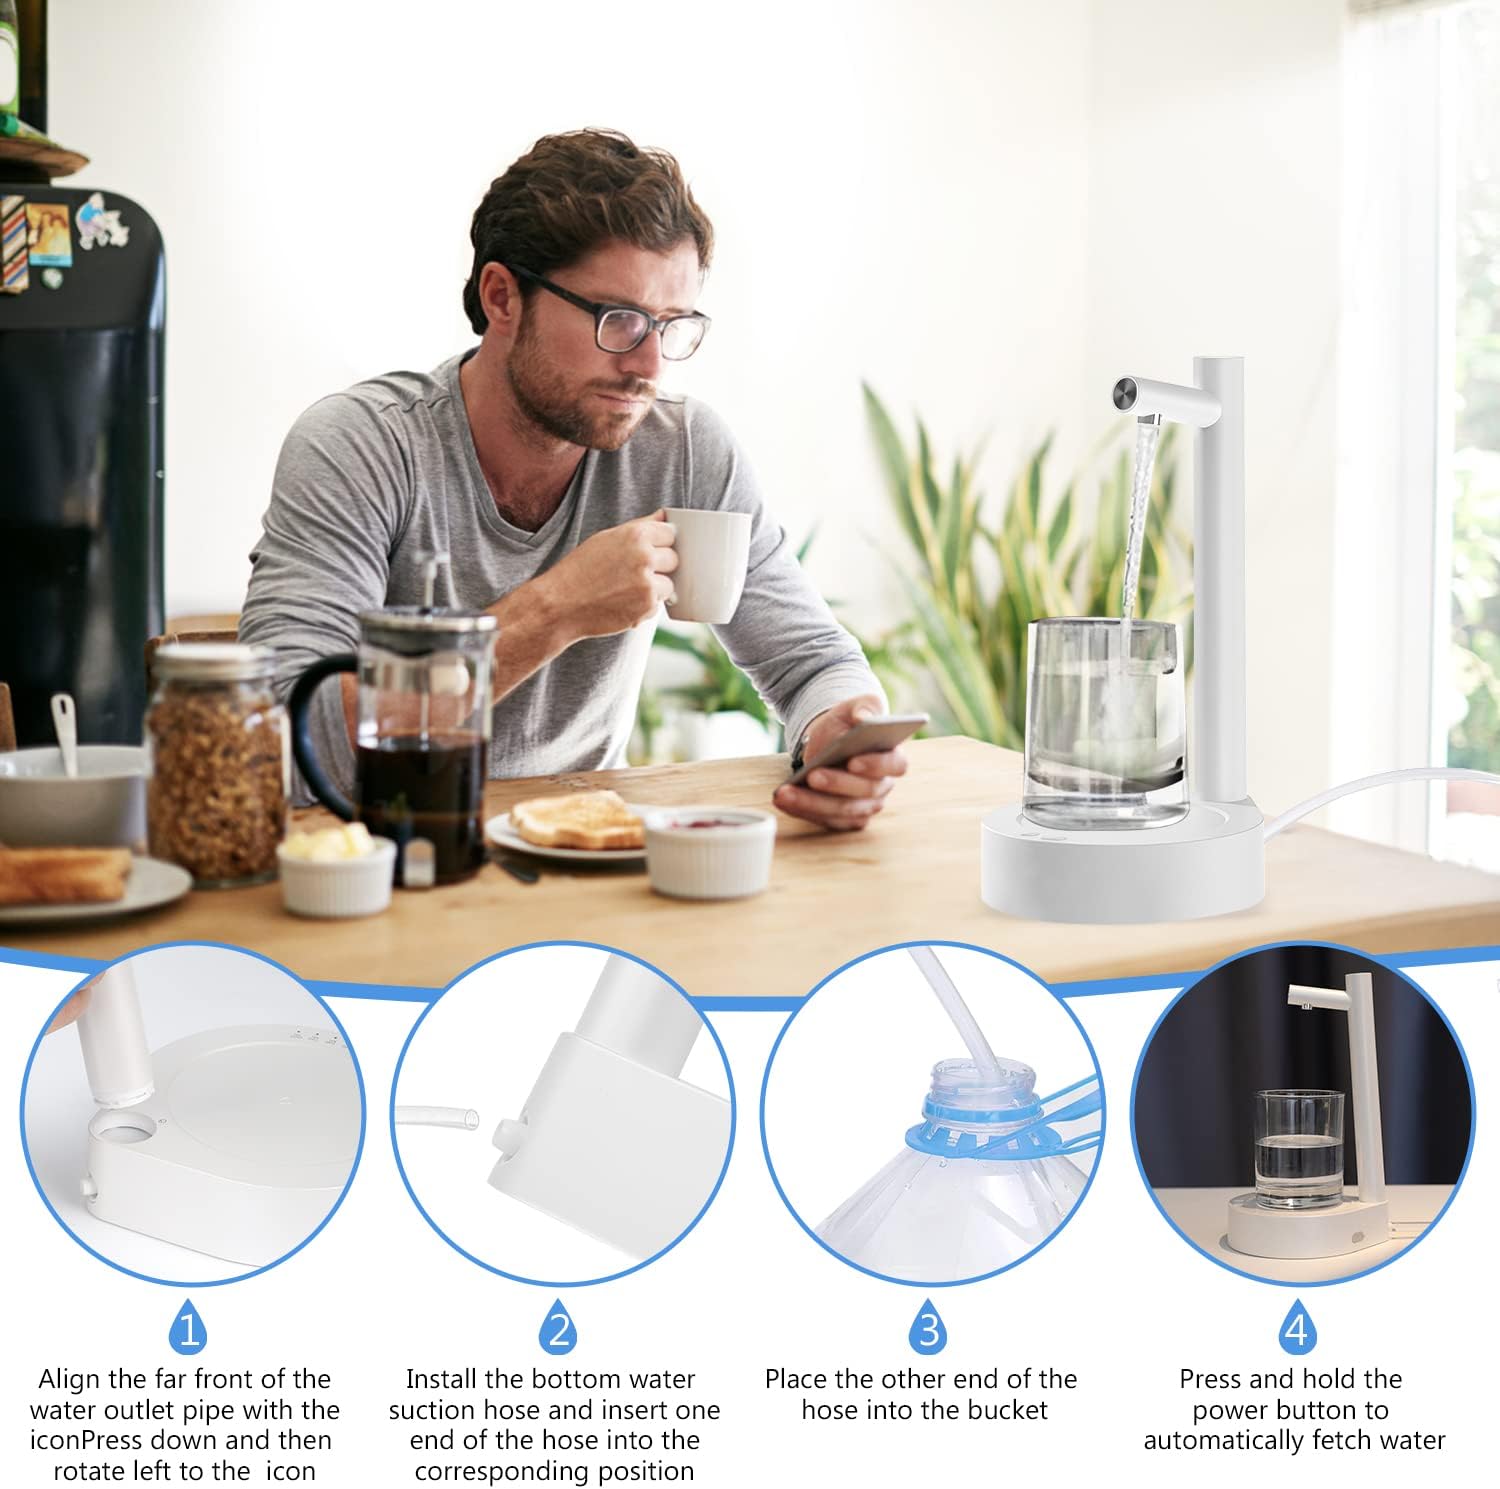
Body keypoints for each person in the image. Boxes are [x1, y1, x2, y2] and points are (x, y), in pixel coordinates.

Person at [240, 128, 906, 831]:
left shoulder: (684, 451)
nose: (650, 366)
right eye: (619, 321)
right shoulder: (361, 447)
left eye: (670, 325)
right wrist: (554, 609)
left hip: (587, 866)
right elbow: (284, 745)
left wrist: (840, 731)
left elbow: (813, 664)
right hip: (383, 864)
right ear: (502, 297)